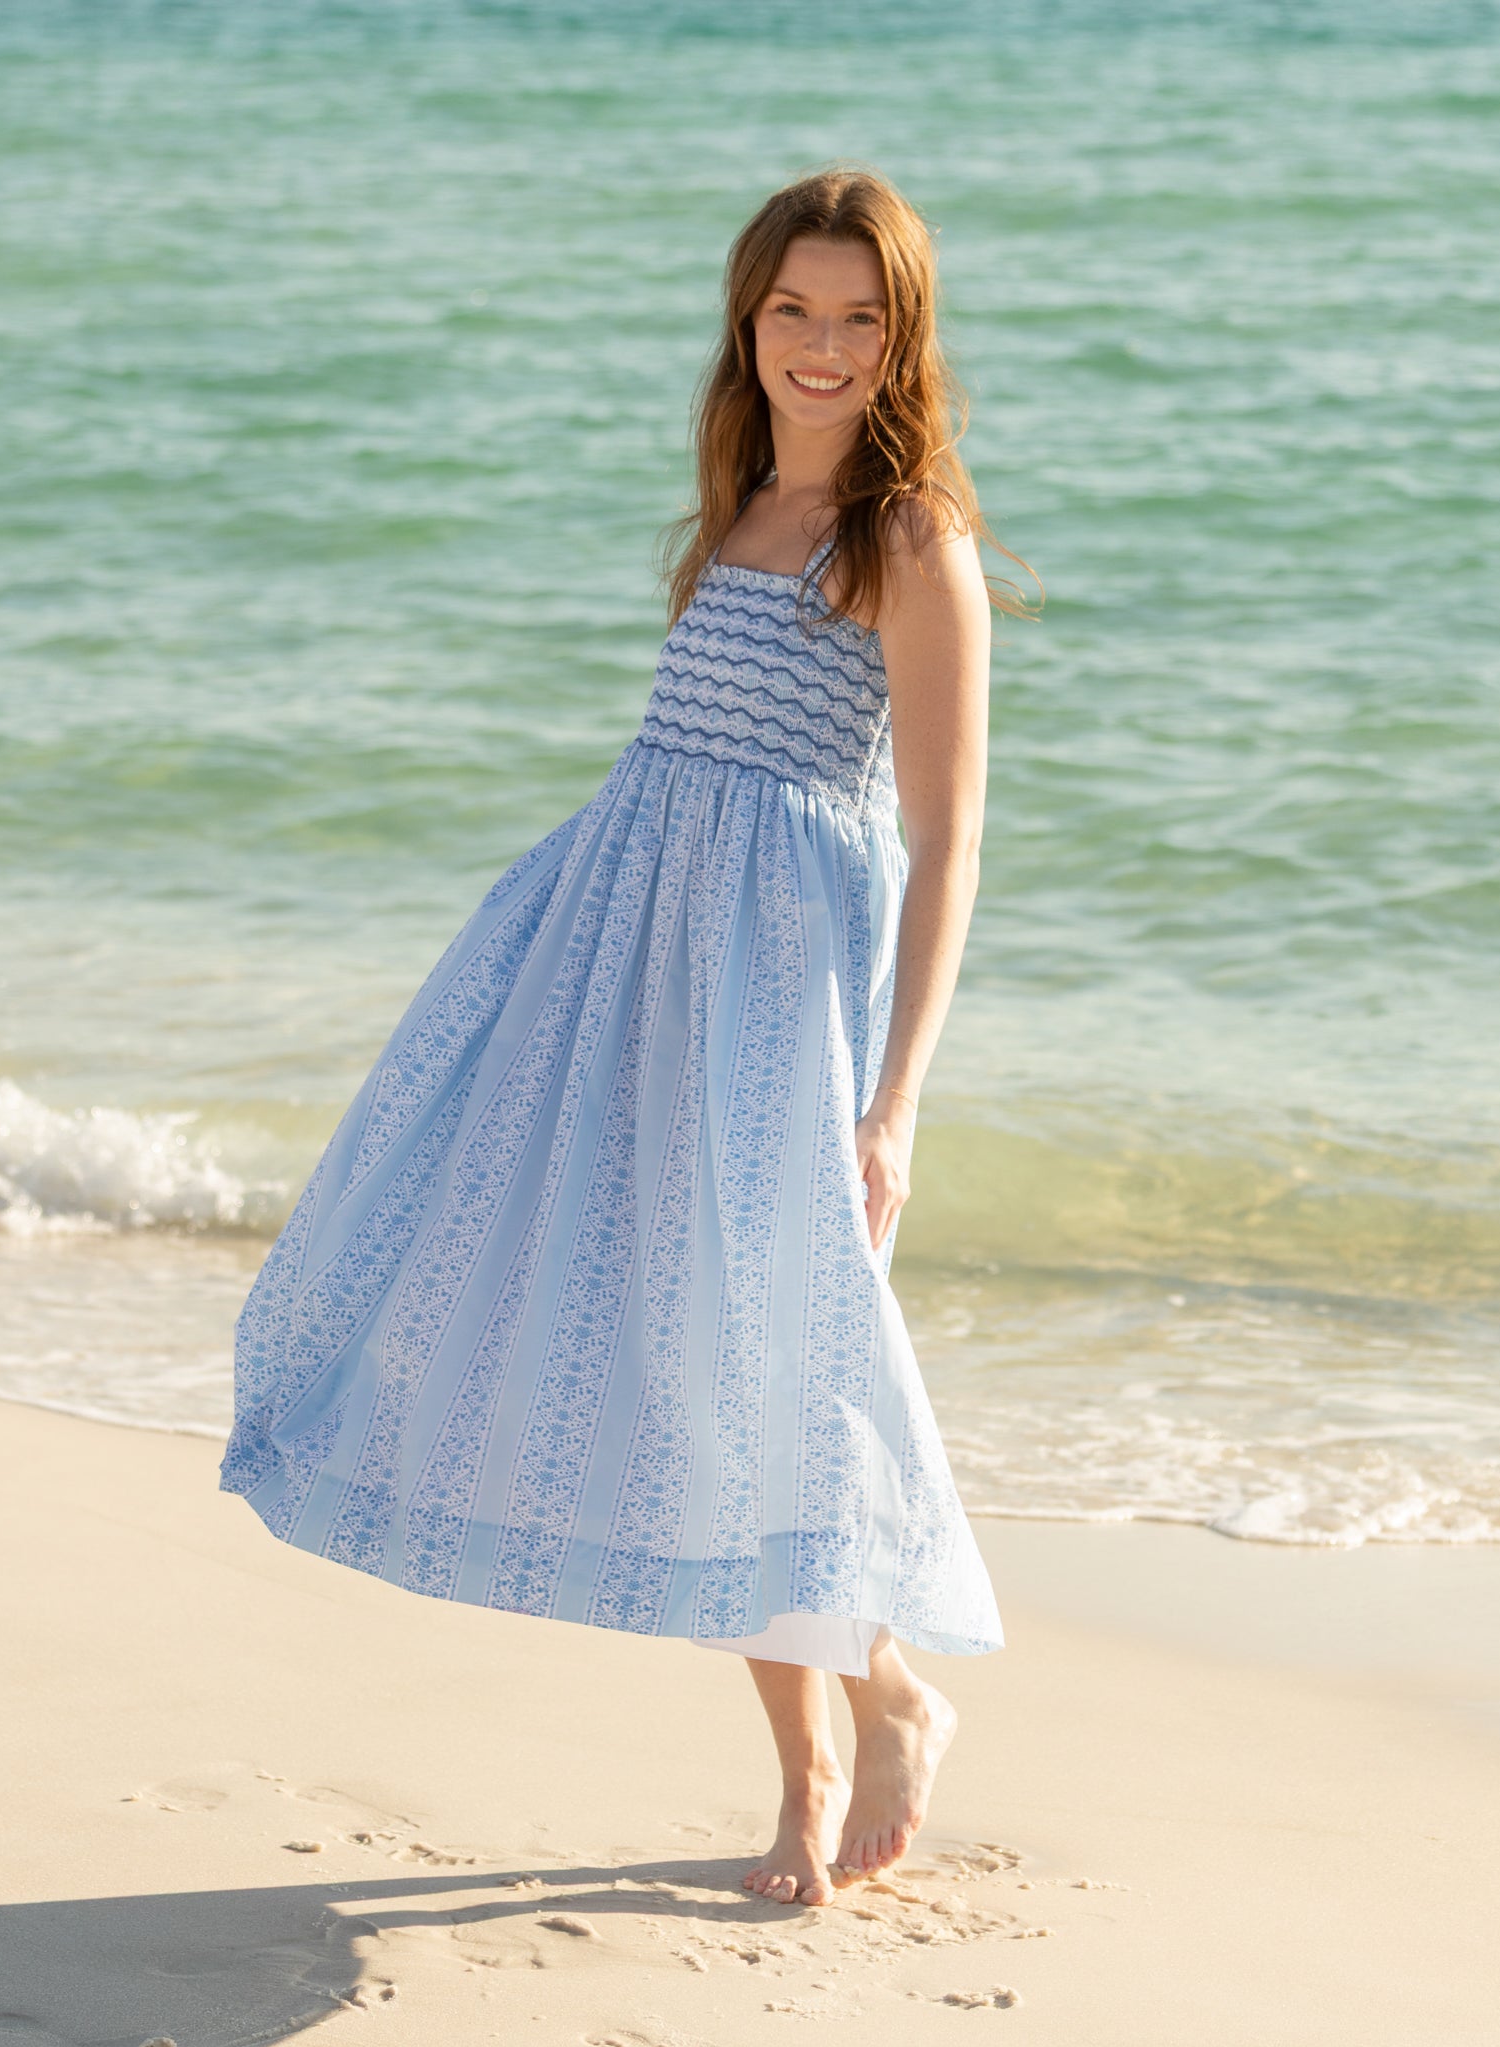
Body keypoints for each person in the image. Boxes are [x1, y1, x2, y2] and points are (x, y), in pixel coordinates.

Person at [220, 166, 1026, 1909]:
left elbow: (949, 838)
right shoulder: (734, 504)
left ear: (907, 339)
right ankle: (809, 1764)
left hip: (781, 995)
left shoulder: (908, 539)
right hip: (625, 963)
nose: (823, 346)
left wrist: (895, 1099)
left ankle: (888, 1698)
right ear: (751, 319)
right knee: (671, 1360)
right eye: (794, 311)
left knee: (775, 1358)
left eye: (860, 317)